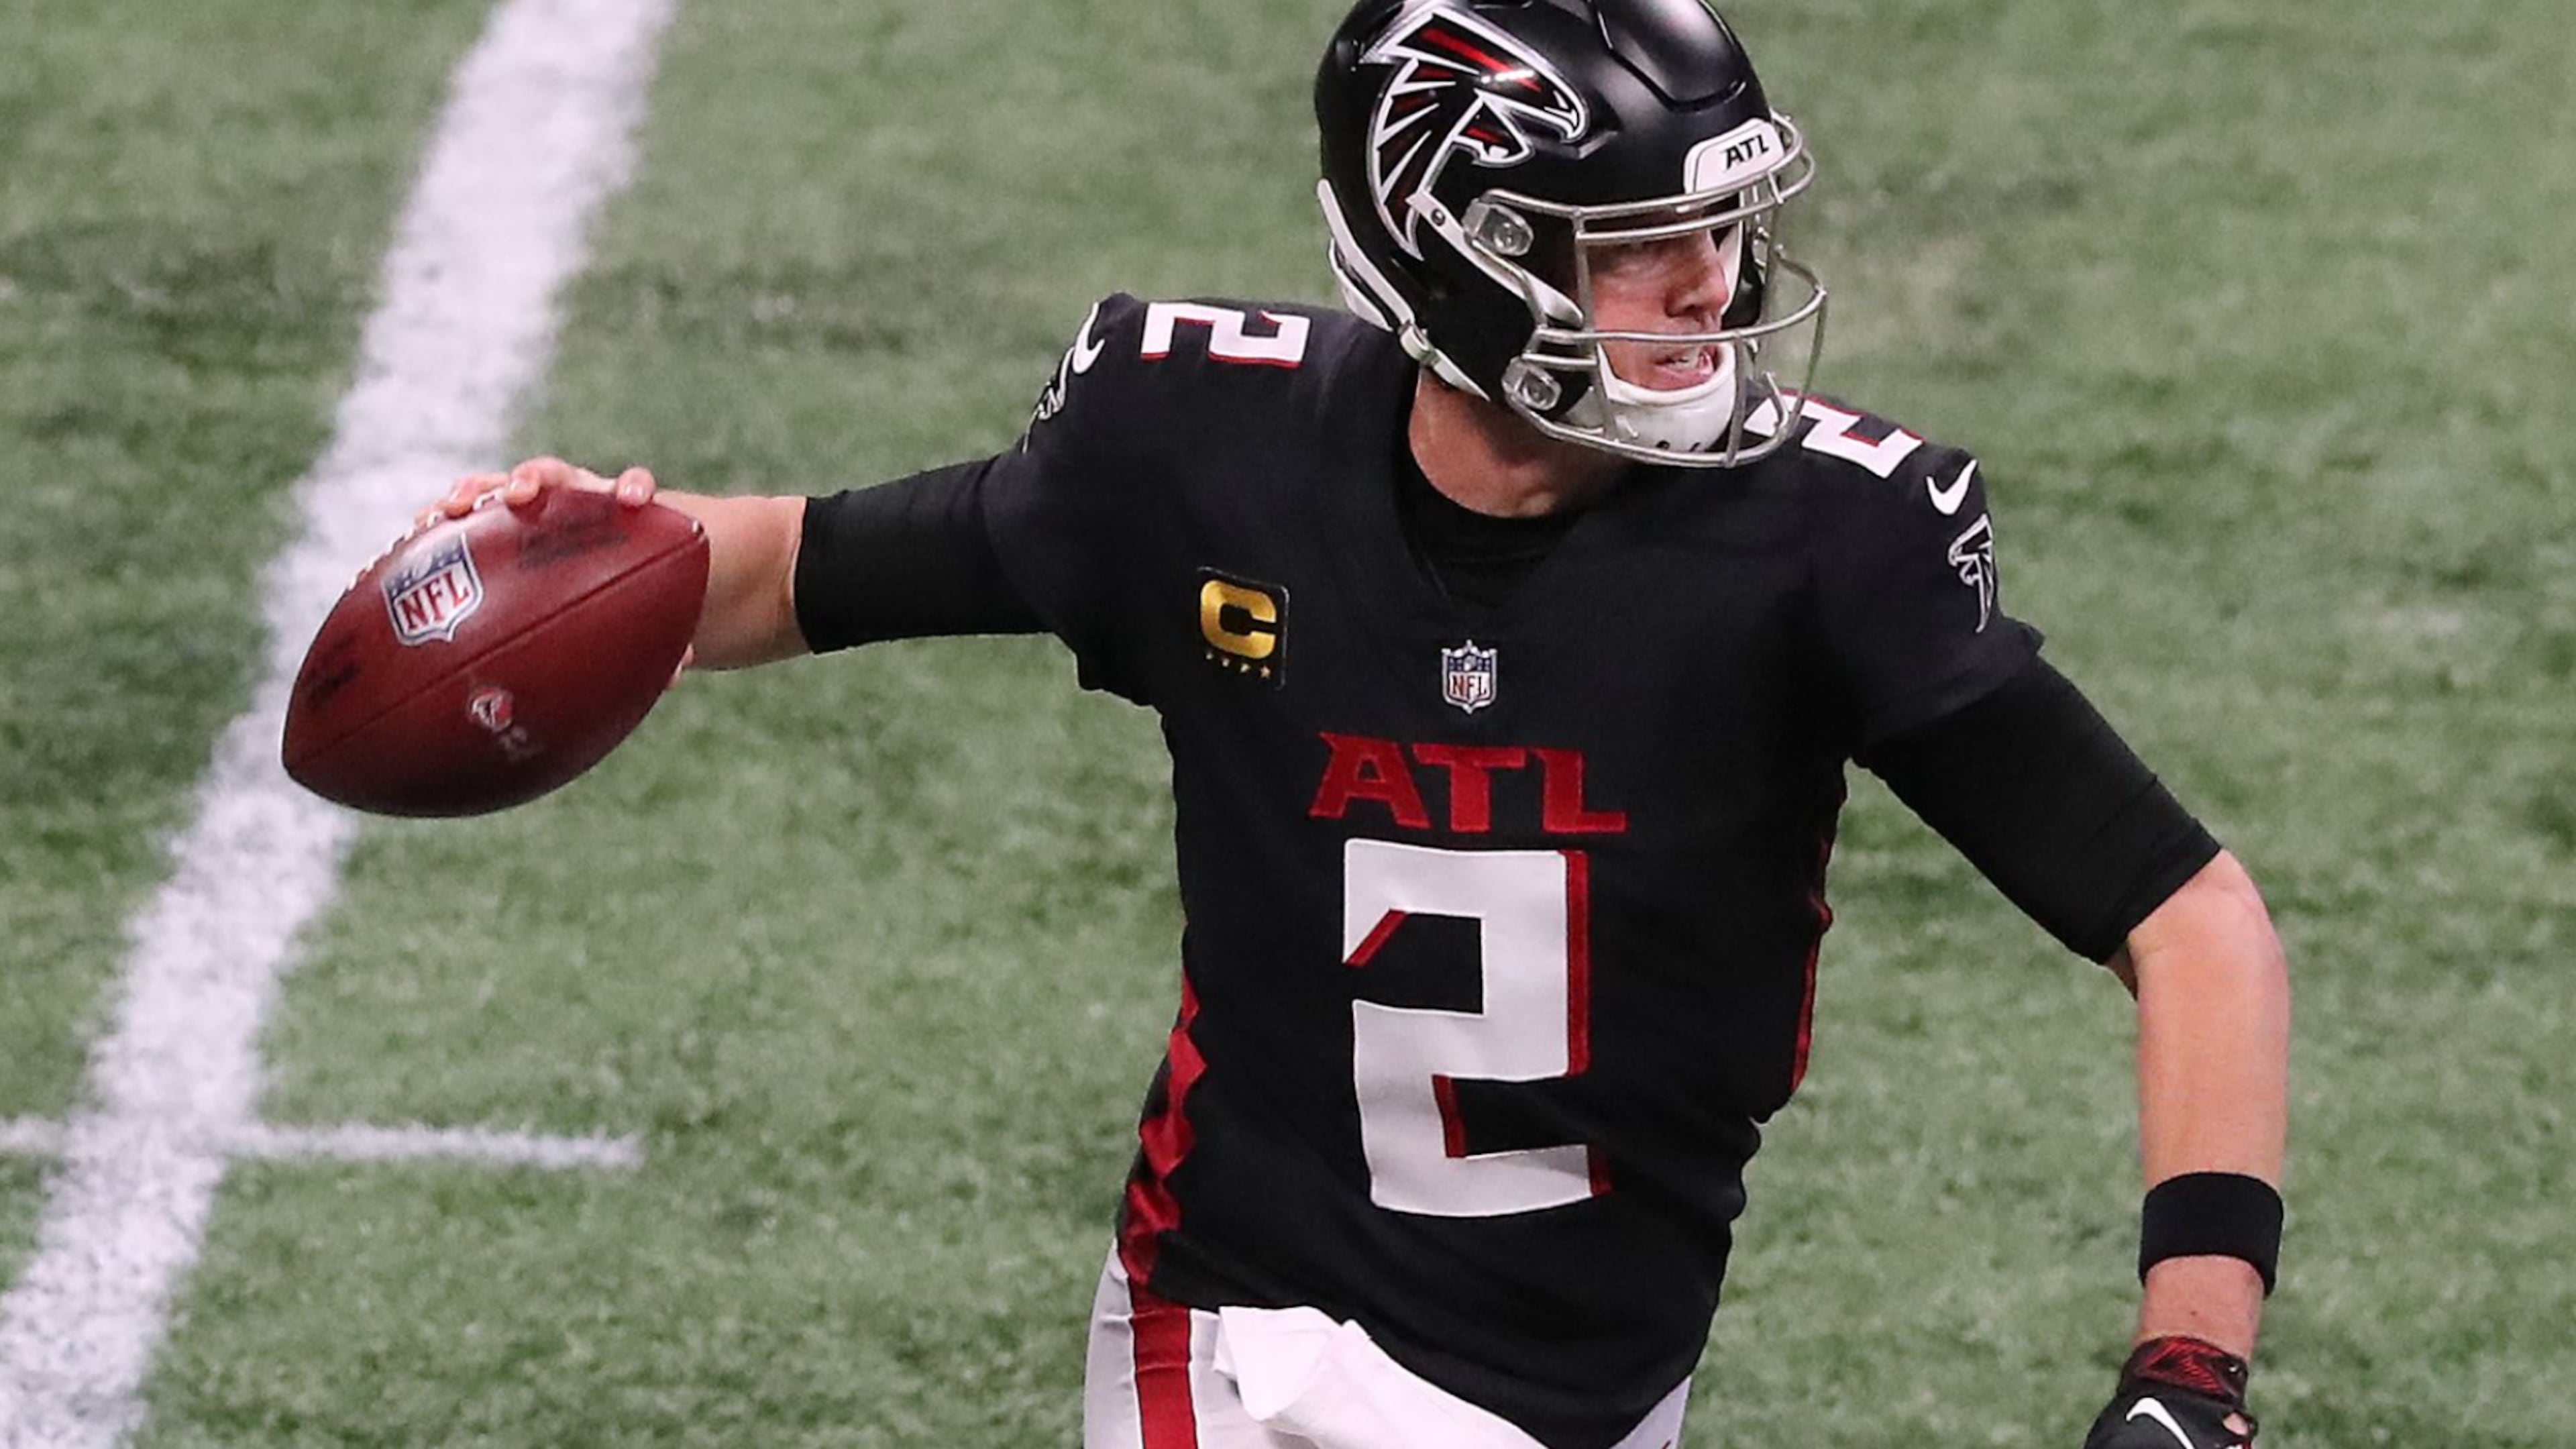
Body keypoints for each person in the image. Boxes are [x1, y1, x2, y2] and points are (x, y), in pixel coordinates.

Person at [431, 2, 2289, 1445]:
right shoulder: (1201, 461)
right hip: (1243, 1326)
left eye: (1718, 228)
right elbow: (806, 569)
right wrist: (606, 549)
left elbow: (2189, 918)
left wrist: (2190, 1365)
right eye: (1637, 242)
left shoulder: (1819, 548)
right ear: (1455, 251)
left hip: (1592, 1376)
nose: (1712, 289)